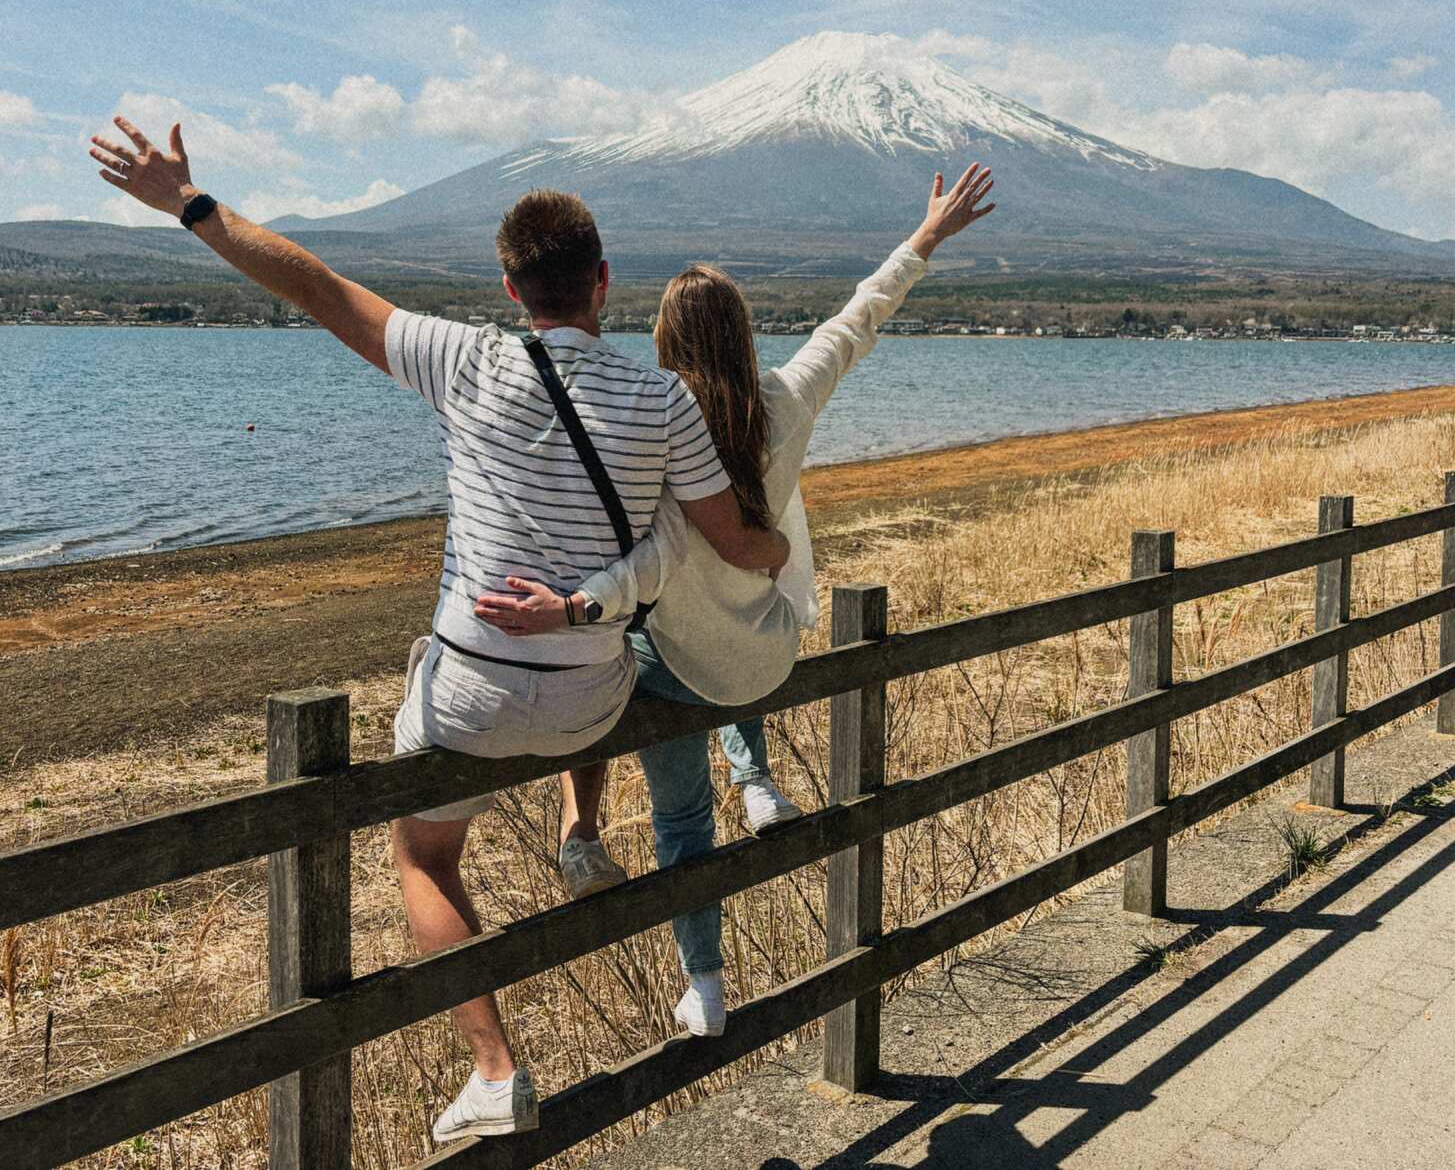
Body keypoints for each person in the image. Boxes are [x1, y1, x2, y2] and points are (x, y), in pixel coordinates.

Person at [87, 118, 789, 1141]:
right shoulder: (665, 399)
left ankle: (496, 1070)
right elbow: (726, 538)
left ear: (512, 291)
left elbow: (318, 289)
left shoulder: (465, 361)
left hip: (471, 696)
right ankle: (580, 832)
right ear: (602, 287)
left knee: (422, 854)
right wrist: (782, 561)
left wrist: (191, 205)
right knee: (597, 694)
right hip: (592, 695)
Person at [474, 162, 995, 1039]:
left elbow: (642, 559)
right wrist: (926, 238)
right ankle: (755, 780)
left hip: (680, 671)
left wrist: (568, 609)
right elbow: (857, 319)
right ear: (744, 333)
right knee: (737, 607)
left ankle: (700, 979)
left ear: (665, 339)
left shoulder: (655, 419)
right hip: (768, 654)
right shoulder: (785, 399)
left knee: (676, 802)